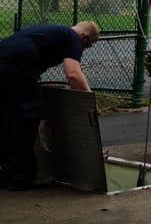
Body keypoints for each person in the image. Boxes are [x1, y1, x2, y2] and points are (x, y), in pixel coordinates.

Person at [0, 21, 100, 189]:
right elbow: (73, 74)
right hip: (16, 68)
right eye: (88, 45)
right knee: (26, 118)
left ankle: (5, 174)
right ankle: (23, 177)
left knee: (6, 118)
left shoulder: (50, 31)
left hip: (6, 64)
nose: (84, 49)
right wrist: (89, 99)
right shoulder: (73, 38)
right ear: (85, 37)